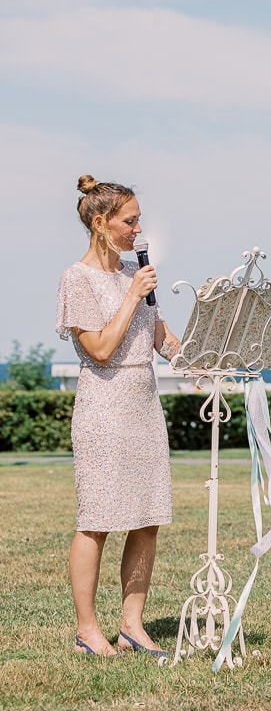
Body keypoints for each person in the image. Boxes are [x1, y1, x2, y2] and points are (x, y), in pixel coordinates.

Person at [56, 175, 181, 657]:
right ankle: (88, 630)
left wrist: (207, 355)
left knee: (146, 519)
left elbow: (161, 340)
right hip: (103, 410)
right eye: (130, 221)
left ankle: (133, 625)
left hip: (143, 405)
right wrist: (131, 294)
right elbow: (102, 349)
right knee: (97, 519)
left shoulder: (135, 270)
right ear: (100, 223)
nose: (138, 229)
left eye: (138, 220)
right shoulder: (77, 278)